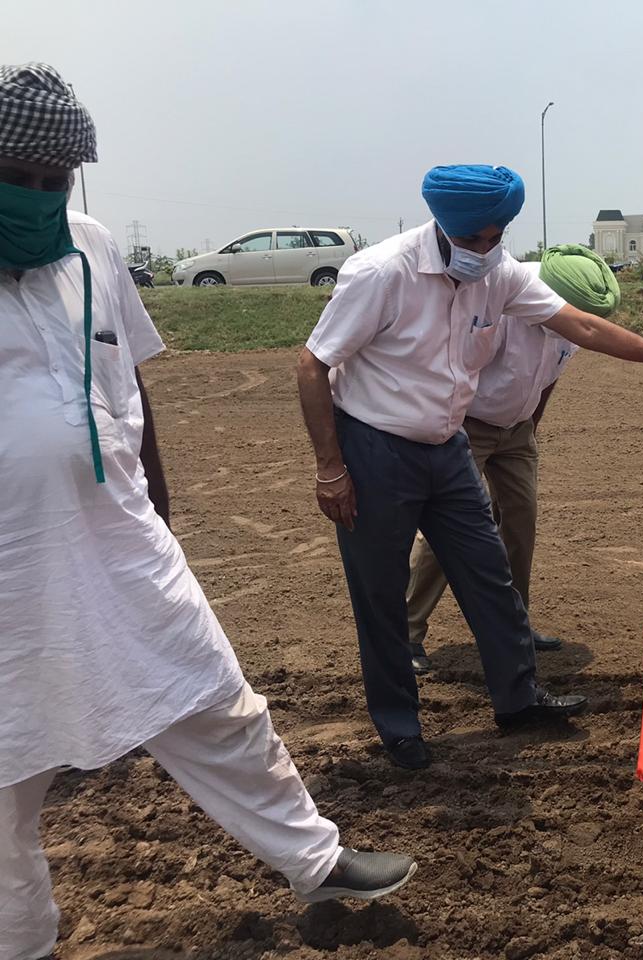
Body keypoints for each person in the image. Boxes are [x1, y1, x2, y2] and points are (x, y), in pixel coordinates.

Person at [0, 63, 416, 960]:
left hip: (119, 535)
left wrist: (157, 502)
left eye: (52, 180)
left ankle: (317, 856)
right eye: (15, 178)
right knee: (3, 790)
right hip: (9, 568)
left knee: (211, 690)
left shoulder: (92, 245)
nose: (36, 197)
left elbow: (129, 377)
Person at [296, 164, 643, 771]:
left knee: (490, 572)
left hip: (447, 445)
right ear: (444, 225)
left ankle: (519, 699)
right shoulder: (381, 273)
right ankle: (399, 728)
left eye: (494, 236)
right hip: (377, 448)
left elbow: (579, 324)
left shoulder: (498, 274)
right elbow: (313, 365)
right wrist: (331, 469)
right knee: (378, 594)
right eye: (471, 239)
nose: (483, 250)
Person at [404, 244, 615, 673]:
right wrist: (452, 437)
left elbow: (549, 378)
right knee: (449, 529)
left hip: (516, 429)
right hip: (468, 425)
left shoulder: (574, 320)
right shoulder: (501, 306)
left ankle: (512, 626)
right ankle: (404, 634)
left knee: (521, 520)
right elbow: (454, 370)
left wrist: (530, 426)